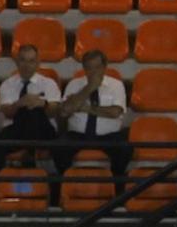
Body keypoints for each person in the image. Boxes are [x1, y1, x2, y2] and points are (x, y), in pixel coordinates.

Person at [54, 49, 128, 182]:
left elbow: (115, 112)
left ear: (105, 67)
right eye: (88, 68)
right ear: (84, 68)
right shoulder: (74, 84)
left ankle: (117, 187)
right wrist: (89, 88)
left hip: (108, 136)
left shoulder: (116, 85)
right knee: (59, 147)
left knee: (124, 149)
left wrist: (86, 108)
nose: (93, 72)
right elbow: (65, 111)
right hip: (78, 135)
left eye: (97, 67)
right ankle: (64, 184)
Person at [0, 43, 61, 173]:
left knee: (34, 112)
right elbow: (7, 113)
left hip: (43, 129)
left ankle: (28, 156)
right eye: (23, 60)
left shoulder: (49, 83)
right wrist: (20, 103)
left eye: (31, 61)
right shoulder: (7, 84)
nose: (27, 65)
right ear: (17, 62)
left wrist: (42, 104)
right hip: (16, 130)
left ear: (38, 62)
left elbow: (55, 111)